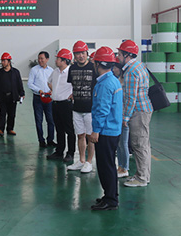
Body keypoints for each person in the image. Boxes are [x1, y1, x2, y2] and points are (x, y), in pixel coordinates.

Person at [88, 46, 123, 211]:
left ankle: (111, 200)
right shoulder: (113, 80)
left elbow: (102, 110)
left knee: (105, 166)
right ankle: (110, 195)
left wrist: (96, 130)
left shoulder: (105, 84)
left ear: (98, 64)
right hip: (112, 129)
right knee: (109, 165)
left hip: (105, 131)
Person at [117, 40, 153, 188]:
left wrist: (125, 117)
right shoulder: (140, 66)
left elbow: (131, 97)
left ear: (127, 55)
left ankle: (142, 178)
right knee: (143, 144)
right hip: (144, 109)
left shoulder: (131, 71)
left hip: (138, 111)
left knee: (139, 144)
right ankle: (144, 175)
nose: (118, 57)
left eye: (119, 54)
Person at [66, 41, 97, 174]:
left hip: (90, 109)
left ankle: (89, 162)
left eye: (83, 53)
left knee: (90, 137)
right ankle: (81, 161)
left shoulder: (93, 67)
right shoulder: (72, 68)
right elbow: (73, 85)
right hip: (77, 108)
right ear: (74, 55)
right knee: (80, 135)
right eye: (78, 53)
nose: (80, 56)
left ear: (87, 54)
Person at [46, 48, 75, 163]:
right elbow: (49, 82)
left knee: (69, 130)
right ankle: (59, 151)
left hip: (66, 105)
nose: (56, 60)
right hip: (55, 104)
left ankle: (70, 153)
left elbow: (77, 85)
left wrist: (73, 94)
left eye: (58, 58)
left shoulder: (71, 72)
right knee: (59, 129)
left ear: (64, 60)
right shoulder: (55, 72)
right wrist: (55, 91)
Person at [0, 52, 25, 137]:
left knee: (12, 114)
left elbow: (19, 83)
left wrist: (22, 93)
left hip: (12, 96)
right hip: (1, 97)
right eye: (2, 61)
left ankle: (10, 129)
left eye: (4, 61)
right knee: (2, 113)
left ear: (9, 61)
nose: (2, 62)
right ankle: (0, 129)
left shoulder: (15, 72)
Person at [27, 51, 56, 148]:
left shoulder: (51, 70)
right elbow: (30, 84)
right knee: (38, 120)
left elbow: (53, 83)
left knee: (51, 120)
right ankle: (41, 140)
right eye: (39, 58)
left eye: (42, 58)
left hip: (49, 98)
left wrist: (52, 90)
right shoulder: (34, 70)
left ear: (47, 59)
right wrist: (38, 90)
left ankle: (50, 140)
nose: (40, 60)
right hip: (38, 98)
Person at [112, 65, 129, 178]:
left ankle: (125, 168)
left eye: (115, 68)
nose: (114, 70)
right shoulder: (117, 80)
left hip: (124, 116)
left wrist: (126, 116)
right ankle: (120, 166)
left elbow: (128, 99)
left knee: (123, 143)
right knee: (118, 144)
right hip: (118, 115)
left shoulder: (126, 80)